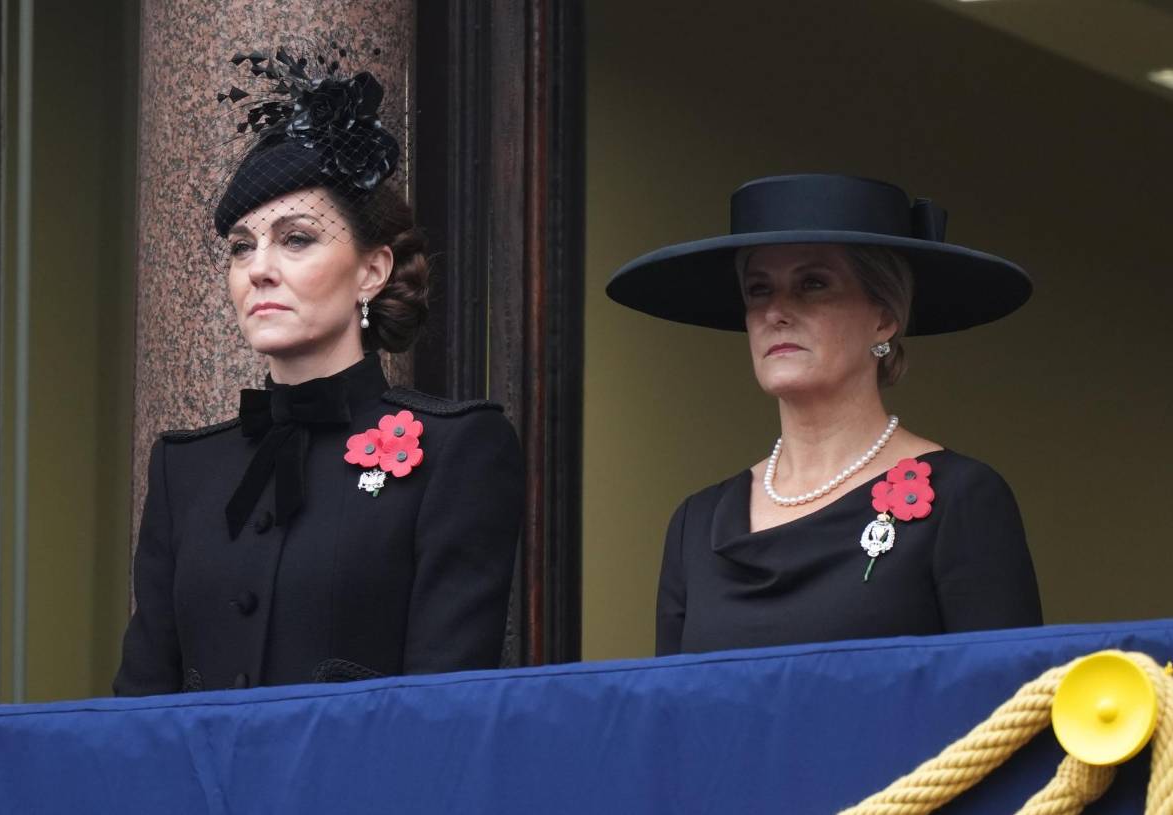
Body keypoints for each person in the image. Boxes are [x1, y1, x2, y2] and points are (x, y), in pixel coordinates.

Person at [114, 45, 524, 695]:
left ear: (372, 270)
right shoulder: (184, 470)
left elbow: (444, 710)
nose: (259, 268)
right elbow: (138, 706)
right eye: (242, 247)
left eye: (296, 238)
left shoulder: (458, 450)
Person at [606, 174, 1042, 656]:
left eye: (812, 284)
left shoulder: (961, 498)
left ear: (884, 316)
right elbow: (671, 716)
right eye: (757, 289)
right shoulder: (696, 522)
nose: (777, 312)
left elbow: (1004, 712)